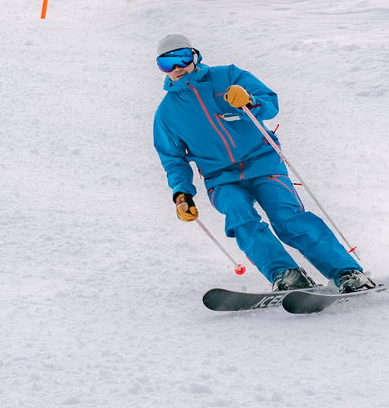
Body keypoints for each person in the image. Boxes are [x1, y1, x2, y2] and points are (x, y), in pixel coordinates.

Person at [151, 33, 375, 293]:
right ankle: (286, 274)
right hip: (221, 177)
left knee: (287, 217)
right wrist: (182, 194)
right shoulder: (166, 113)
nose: (177, 68)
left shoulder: (228, 77)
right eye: (167, 64)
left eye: (182, 58)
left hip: (263, 162)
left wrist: (249, 101)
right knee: (240, 216)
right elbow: (173, 158)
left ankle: (348, 272)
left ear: (195, 56)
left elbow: (270, 103)